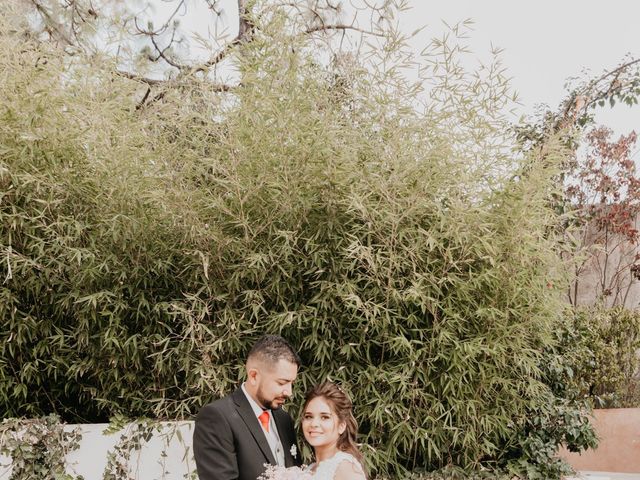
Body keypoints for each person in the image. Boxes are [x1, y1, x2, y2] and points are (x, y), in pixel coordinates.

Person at [193, 334, 303, 480]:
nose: (289, 392)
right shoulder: (217, 417)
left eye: (292, 383)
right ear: (254, 376)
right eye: (282, 383)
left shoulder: (284, 419)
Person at [301, 382, 367, 480]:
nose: (314, 424)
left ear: (341, 426)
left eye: (325, 417)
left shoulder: (346, 469)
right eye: (308, 416)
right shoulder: (310, 469)